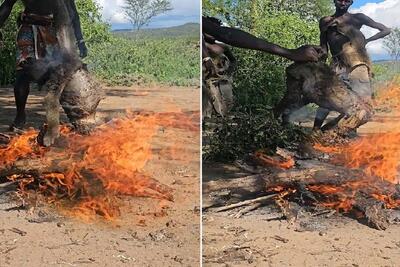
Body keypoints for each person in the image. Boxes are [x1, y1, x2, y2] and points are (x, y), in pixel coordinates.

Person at [202, 16, 322, 117]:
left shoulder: (221, 46)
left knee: (223, 105)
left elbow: (223, 34)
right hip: (204, 80)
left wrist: (228, 71)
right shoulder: (203, 43)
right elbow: (222, 33)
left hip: (221, 80)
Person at [0, 0, 88, 130]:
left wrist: (80, 40)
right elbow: (7, 5)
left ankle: (74, 117)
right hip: (28, 29)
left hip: (50, 31)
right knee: (24, 69)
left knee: (59, 74)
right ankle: (20, 116)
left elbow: (73, 13)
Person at [313, 0, 391, 131]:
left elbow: (386, 30)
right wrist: (318, 60)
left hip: (357, 63)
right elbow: (324, 46)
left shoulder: (358, 18)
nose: (343, 3)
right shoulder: (325, 21)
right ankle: (315, 130)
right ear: (334, 1)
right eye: (340, 0)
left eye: (347, 0)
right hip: (337, 65)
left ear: (351, 3)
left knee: (363, 104)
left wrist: (366, 41)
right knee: (328, 98)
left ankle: (343, 130)